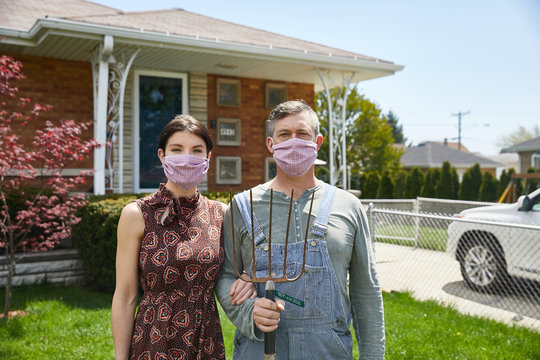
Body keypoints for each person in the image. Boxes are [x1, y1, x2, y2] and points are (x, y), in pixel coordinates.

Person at [216, 100, 385, 359]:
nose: (293, 141)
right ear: (271, 145)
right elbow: (225, 275)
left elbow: (366, 291)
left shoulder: (348, 206)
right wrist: (248, 312)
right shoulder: (242, 206)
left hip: (327, 352)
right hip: (259, 350)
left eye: (302, 133)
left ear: (317, 143)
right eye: (284, 134)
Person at [111, 115, 255, 360]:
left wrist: (249, 279)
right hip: (153, 341)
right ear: (162, 156)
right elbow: (125, 297)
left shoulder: (220, 213)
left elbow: (241, 269)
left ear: (208, 158)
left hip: (205, 340)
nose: (186, 157)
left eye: (196, 150)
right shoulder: (137, 214)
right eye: (176, 150)